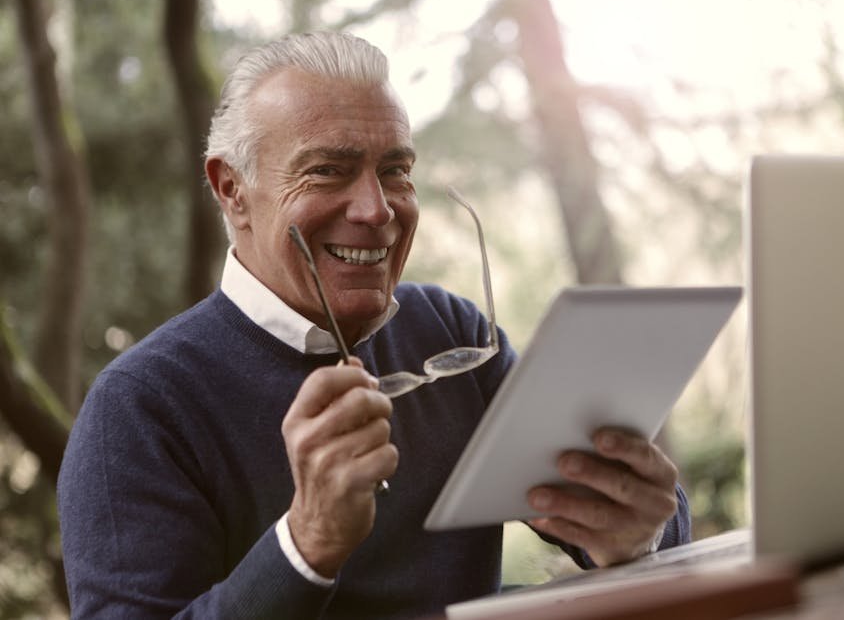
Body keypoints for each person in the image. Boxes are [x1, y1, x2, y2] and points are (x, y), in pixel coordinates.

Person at [58, 31, 690, 619]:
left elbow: (634, 528)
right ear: (232, 190)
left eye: (396, 170)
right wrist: (306, 544)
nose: (377, 209)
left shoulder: (452, 332)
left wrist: (639, 530)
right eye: (327, 170)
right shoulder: (137, 409)